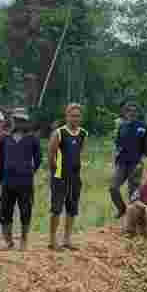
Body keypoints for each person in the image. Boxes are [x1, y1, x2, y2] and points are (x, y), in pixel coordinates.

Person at [0, 110, 41, 250]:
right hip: (7, 182)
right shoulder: (5, 139)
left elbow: (38, 159)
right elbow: (1, 160)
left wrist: (29, 171)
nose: (19, 122)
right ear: (13, 121)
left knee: (25, 210)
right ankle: (9, 241)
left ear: (26, 122)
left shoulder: (32, 139)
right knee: (5, 212)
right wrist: (1, 177)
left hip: (25, 182)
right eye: (16, 120)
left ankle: (24, 240)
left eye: (22, 120)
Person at [48, 103, 87, 251]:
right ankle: (52, 240)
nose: (75, 118)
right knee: (56, 208)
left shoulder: (83, 134)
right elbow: (51, 154)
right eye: (72, 115)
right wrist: (55, 173)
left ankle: (67, 239)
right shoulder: (59, 133)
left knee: (72, 208)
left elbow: (80, 152)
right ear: (67, 116)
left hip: (75, 177)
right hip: (59, 176)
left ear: (80, 117)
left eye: (77, 116)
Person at [110, 102, 147, 218]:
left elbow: (146, 144)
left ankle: (135, 219)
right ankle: (121, 209)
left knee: (133, 194)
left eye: (134, 111)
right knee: (113, 188)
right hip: (121, 163)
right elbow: (117, 145)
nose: (132, 113)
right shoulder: (121, 127)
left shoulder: (142, 127)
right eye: (129, 111)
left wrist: (142, 160)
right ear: (125, 113)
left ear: (137, 113)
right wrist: (115, 160)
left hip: (135, 163)